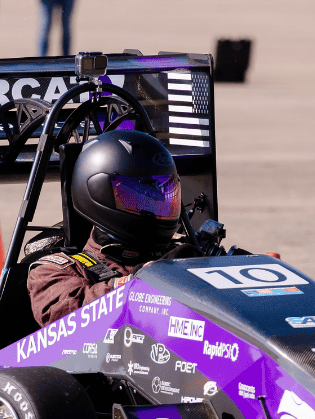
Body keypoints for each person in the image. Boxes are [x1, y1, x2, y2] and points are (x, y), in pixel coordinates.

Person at [28, 131, 197, 326]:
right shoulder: (53, 271)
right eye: (139, 196)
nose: (156, 204)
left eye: (162, 193)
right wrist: (139, 282)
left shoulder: (179, 258)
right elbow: (67, 318)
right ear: (99, 192)